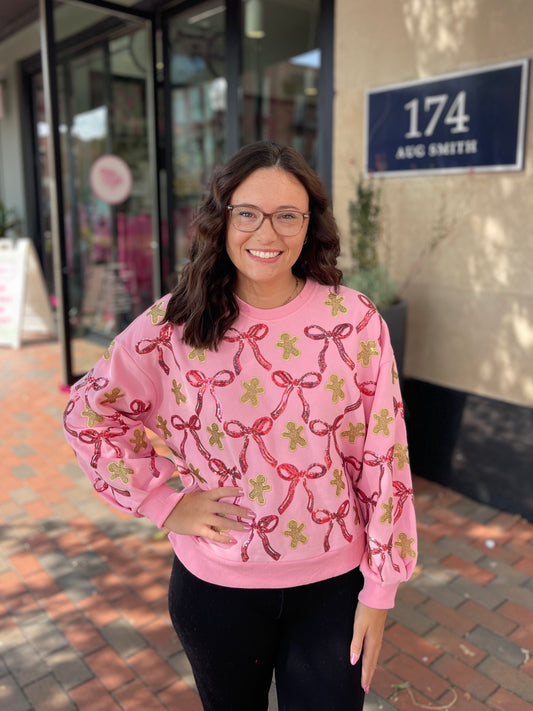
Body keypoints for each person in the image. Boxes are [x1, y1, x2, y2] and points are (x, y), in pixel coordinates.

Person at [63, 141, 417, 711]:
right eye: (247, 213)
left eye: (287, 216)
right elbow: (89, 412)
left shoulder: (353, 322)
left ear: (310, 227)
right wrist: (163, 503)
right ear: (221, 219)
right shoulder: (175, 322)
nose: (266, 233)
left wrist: (381, 587)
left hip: (333, 587)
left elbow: (384, 457)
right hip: (217, 589)